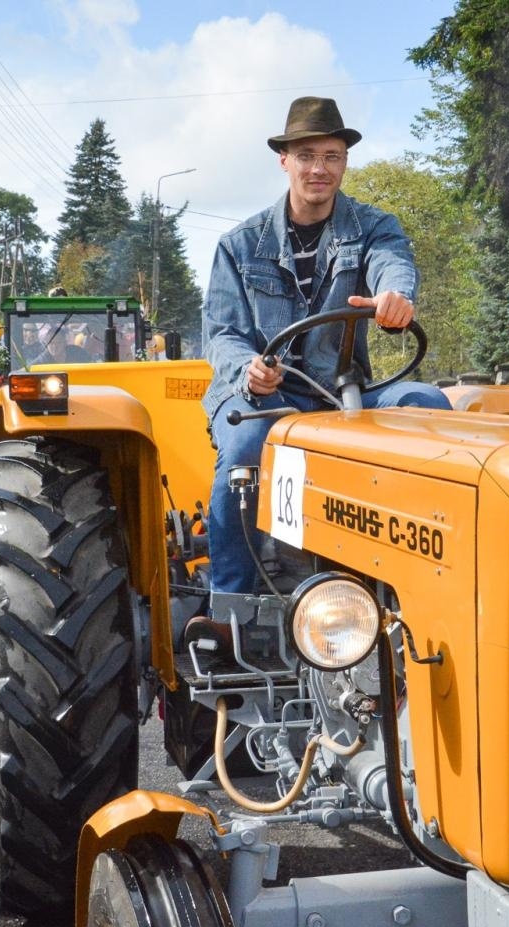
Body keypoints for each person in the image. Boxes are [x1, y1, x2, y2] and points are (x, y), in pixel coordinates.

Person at [195, 96, 451, 609]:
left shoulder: (372, 226)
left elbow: (393, 263)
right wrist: (248, 370)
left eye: (332, 156)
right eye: (307, 156)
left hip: (341, 391)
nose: (319, 168)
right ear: (284, 160)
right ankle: (232, 604)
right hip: (259, 395)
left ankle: (423, 592)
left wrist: (395, 296)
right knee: (245, 448)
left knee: (427, 406)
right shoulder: (239, 245)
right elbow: (221, 334)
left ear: (345, 162)